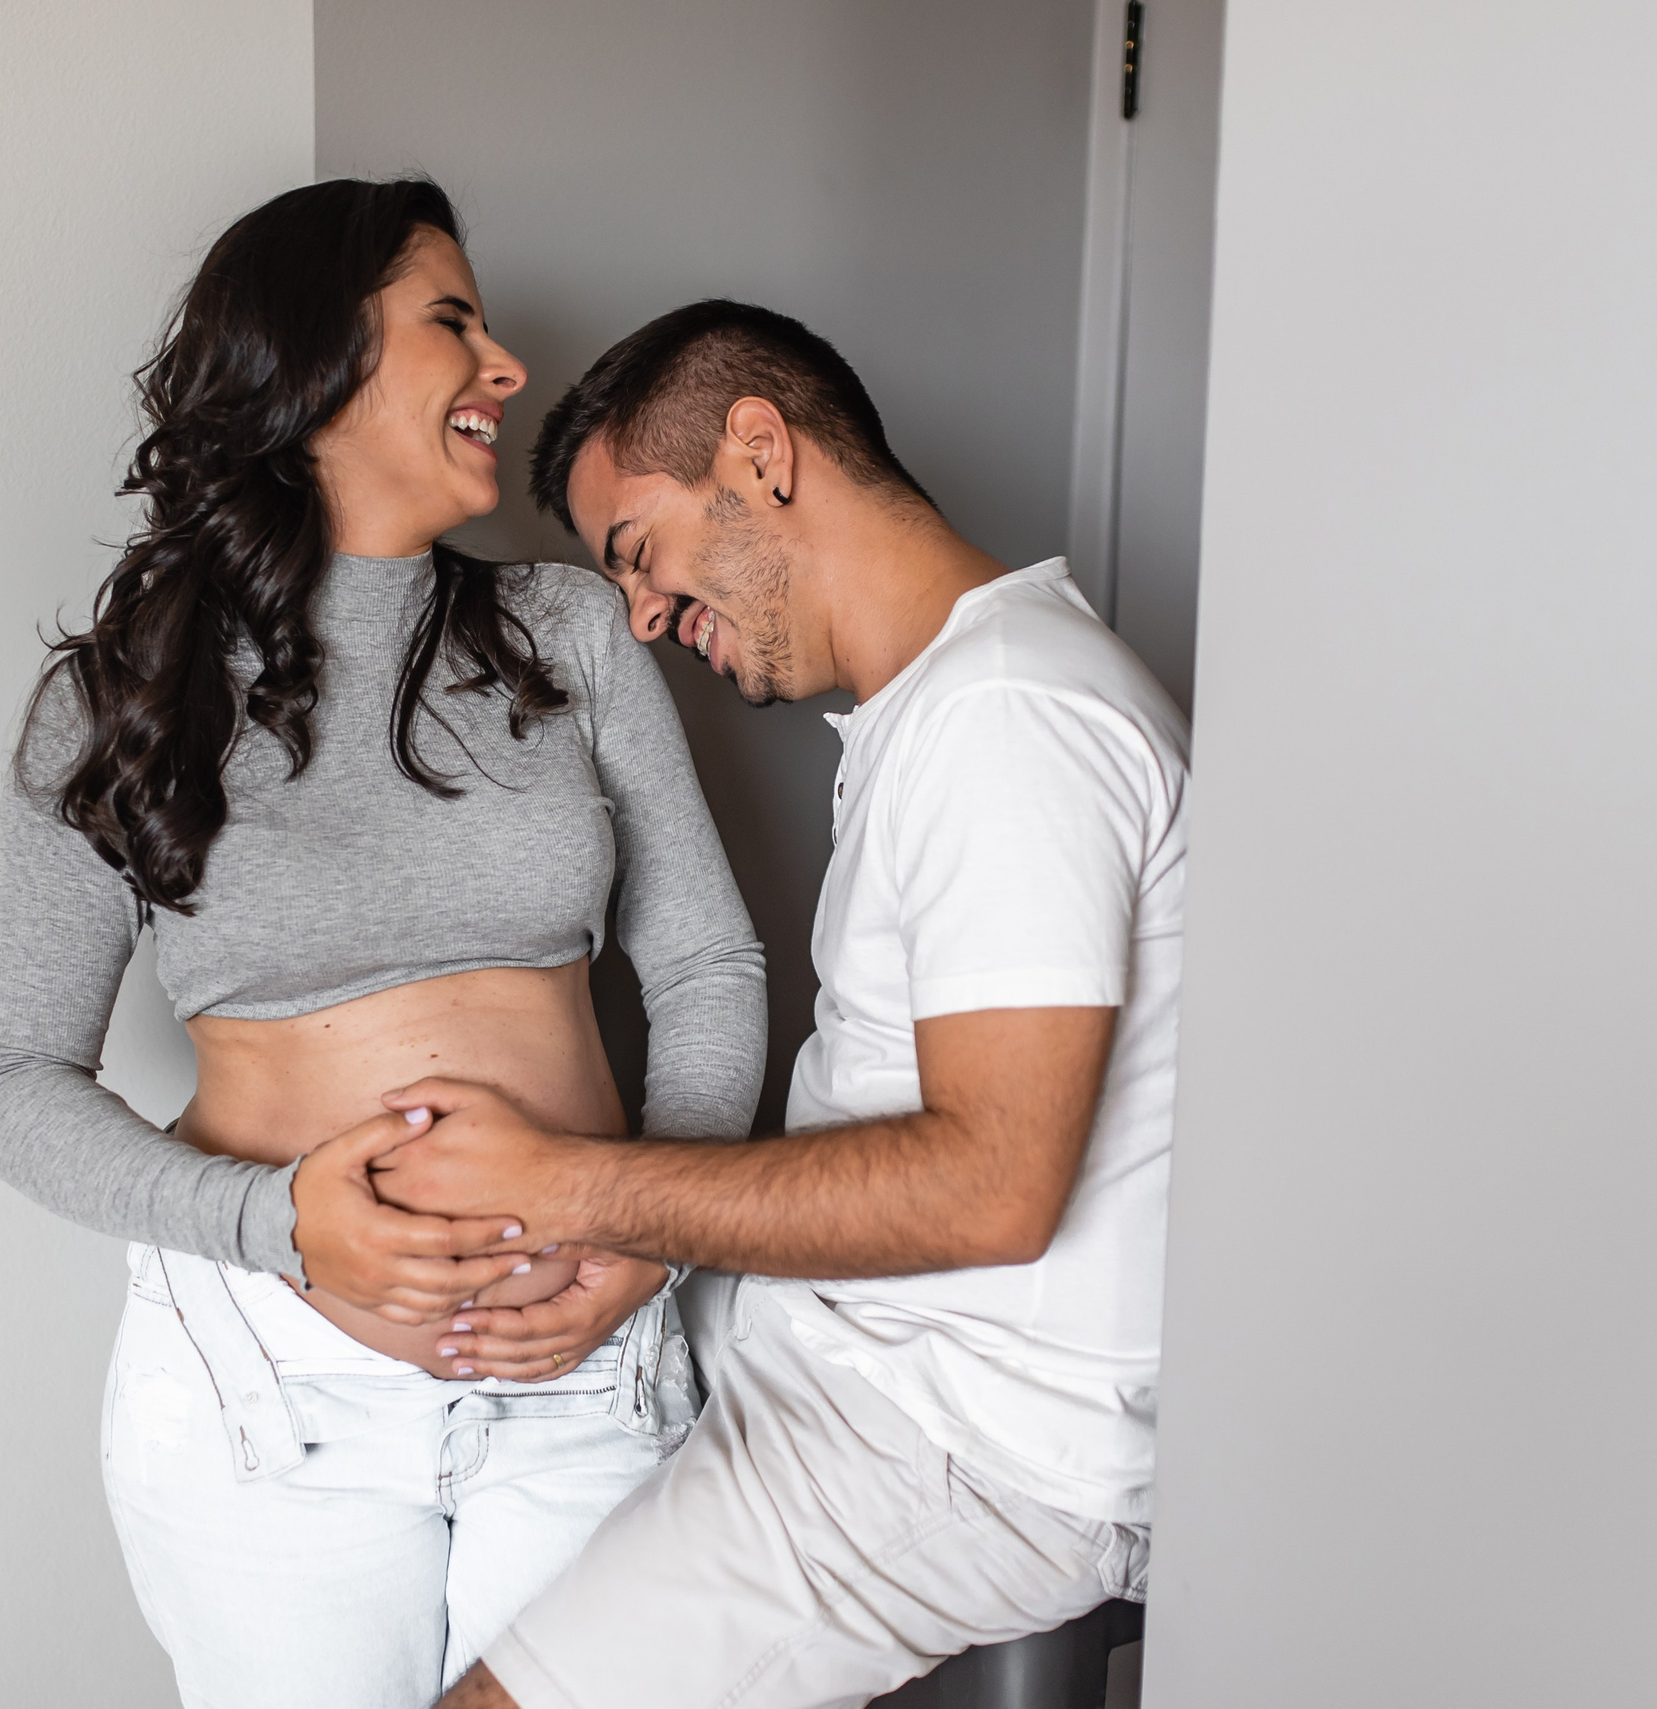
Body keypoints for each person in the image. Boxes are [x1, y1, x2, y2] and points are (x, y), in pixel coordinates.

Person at [0, 187, 766, 1709]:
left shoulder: (569, 632)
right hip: (273, 1388)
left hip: (586, 1353)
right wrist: (283, 1226)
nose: (505, 364)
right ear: (315, 364)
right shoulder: (122, 699)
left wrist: (647, 1230)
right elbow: (7, 1077)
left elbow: (708, 970)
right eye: (452, 320)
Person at [368, 300, 1190, 1709]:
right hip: (864, 1378)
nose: (639, 613)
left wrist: (575, 1189)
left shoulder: (1009, 721)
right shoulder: (942, 709)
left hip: (961, 1447)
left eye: (639, 551)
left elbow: (992, 1187)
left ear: (761, 450)